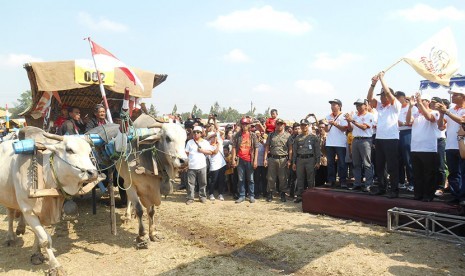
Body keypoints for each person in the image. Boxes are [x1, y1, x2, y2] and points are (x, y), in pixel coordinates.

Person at [367, 72, 401, 198]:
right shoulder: (380, 106)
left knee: (392, 166)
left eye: (383, 95)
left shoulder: (395, 105)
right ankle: (382, 187)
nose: (381, 97)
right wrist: (373, 84)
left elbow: (388, 94)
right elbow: (369, 98)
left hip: (391, 139)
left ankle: (394, 190)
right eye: (380, 95)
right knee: (379, 165)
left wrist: (382, 79)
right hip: (380, 139)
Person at [406, 93, 438, 202]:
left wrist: (419, 103)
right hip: (415, 148)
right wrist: (410, 107)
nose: (420, 102)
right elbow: (407, 121)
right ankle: (418, 194)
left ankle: (428, 195)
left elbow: (430, 118)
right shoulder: (416, 114)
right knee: (417, 173)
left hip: (428, 149)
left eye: (423, 100)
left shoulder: (434, 112)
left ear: (428, 102)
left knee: (429, 173)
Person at [436, 87, 465, 205]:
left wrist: (447, 112)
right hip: (450, 145)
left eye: (455, 95)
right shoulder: (452, 109)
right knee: (453, 173)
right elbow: (441, 126)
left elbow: (463, 121)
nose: (452, 96)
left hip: (462, 146)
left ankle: (462, 196)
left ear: (462, 96)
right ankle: (455, 195)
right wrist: (442, 114)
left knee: (462, 173)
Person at [344, 99, 374, 191]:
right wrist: (349, 121)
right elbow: (350, 129)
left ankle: (368, 184)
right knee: (356, 163)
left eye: (360, 105)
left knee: (367, 163)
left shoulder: (369, 115)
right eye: (356, 105)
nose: (358, 107)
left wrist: (352, 120)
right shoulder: (355, 116)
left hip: (365, 140)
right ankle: (357, 183)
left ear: (365, 105)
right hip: (355, 139)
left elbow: (364, 127)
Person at [292, 119, 321, 203]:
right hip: (300, 160)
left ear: (308, 126)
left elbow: (317, 150)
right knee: (300, 178)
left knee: (310, 179)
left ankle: (311, 196)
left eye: (305, 125)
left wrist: (318, 161)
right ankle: (300, 196)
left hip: (310, 159)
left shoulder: (313, 137)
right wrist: (294, 162)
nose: (303, 127)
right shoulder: (297, 138)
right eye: (302, 125)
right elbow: (295, 151)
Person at [231, 117, 259, 203]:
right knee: (241, 179)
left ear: (249, 125)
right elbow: (234, 148)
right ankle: (242, 195)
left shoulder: (253, 135)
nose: (244, 126)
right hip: (240, 160)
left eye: (246, 124)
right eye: (243, 124)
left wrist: (255, 160)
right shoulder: (237, 135)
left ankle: (251, 195)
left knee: (250, 179)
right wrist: (233, 159)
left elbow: (256, 148)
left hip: (249, 159)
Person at [264, 118, 291, 202]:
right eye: (278, 124)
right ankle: (270, 193)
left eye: (281, 124)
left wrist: (290, 160)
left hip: (283, 159)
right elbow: (267, 147)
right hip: (272, 158)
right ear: (275, 125)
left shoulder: (288, 136)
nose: (279, 126)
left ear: (284, 125)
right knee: (271, 177)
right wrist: (265, 159)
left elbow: (290, 149)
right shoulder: (271, 135)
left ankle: (282, 193)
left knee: (283, 178)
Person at [184, 126, 213, 205]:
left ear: (201, 133)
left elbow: (210, 152)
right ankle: (190, 198)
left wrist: (202, 150)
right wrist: (186, 164)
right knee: (190, 183)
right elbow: (186, 153)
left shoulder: (205, 142)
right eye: (194, 132)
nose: (196, 134)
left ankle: (202, 197)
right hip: (191, 166)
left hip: (202, 165)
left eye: (198, 132)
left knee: (203, 182)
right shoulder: (189, 142)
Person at [325, 99, 348, 187]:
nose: (332, 106)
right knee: (330, 163)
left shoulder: (343, 116)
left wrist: (334, 123)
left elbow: (344, 129)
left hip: (340, 143)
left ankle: (343, 181)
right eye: (331, 105)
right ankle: (331, 180)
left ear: (339, 106)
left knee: (342, 163)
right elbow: (326, 130)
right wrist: (326, 125)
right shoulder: (328, 116)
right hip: (330, 143)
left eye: (334, 104)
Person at [395, 91, 414, 191]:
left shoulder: (411, 107)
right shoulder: (396, 108)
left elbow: (412, 121)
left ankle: (412, 183)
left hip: (407, 133)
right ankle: (401, 182)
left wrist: (404, 123)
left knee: (408, 159)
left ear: (403, 97)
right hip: (396, 133)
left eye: (398, 97)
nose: (397, 100)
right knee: (399, 160)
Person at [206, 132, 227, 201]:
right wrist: (217, 145)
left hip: (222, 164)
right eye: (212, 137)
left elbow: (222, 132)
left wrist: (216, 132)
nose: (214, 138)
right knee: (213, 180)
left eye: (215, 137)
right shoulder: (207, 145)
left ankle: (220, 194)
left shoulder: (219, 142)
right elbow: (215, 152)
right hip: (214, 165)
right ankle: (211, 193)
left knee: (221, 180)